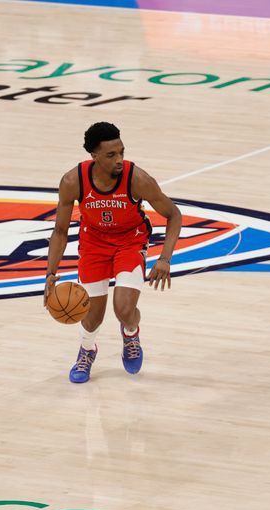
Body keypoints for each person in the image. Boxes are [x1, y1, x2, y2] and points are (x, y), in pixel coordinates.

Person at [44, 122, 182, 383]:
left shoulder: (138, 179)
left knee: (124, 310)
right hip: (93, 243)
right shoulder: (73, 181)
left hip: (130, 241)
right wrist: (51, 273)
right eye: (111, 155)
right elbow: (60, 231)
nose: (119, 160)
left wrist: (165, 258)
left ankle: (131, 333)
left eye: (121, 152)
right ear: (94, 157)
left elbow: (174, 215)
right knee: (91, 316)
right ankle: (87, 350)